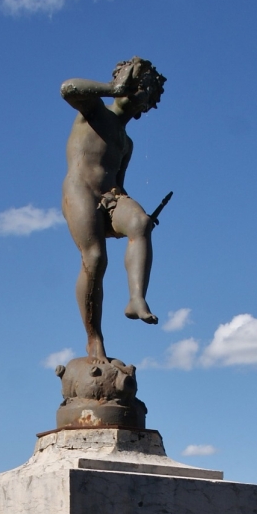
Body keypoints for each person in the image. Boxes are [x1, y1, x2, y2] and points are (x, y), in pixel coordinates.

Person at [60, 57, 167, 360]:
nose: (140, 92)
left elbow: (119, 183)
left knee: (140, 223)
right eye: (137, 84)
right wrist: (111, 88)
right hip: (80, 190)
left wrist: (126, 223)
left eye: (146, 90)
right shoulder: (93, 112)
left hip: (111, 195)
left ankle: (136, 299)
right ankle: (94, 338)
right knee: (94, 259)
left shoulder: (126, 142)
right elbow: (68, 88)